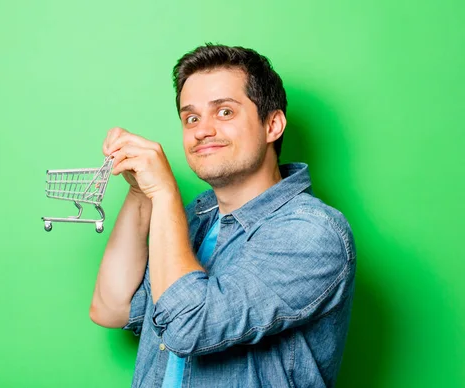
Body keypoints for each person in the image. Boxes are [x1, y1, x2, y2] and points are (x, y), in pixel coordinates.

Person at [89, 44, 356, 388]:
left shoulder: (312, 233)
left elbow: (190, 327)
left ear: (273, 124)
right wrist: (142, 193)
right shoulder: (197, 219)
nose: (202, 130)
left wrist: (164, 192)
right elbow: (111, 307)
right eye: (192, 118)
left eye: (225, 112)